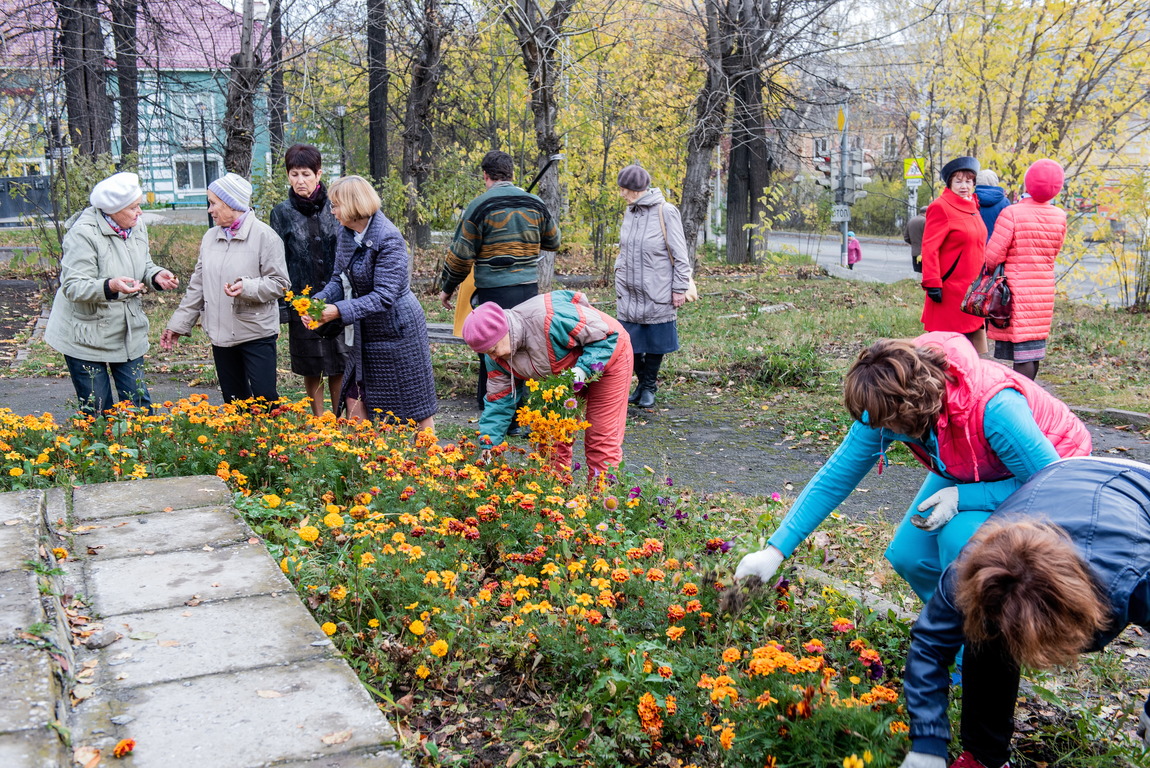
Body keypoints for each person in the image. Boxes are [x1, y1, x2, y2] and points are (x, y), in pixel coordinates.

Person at [734, 332, 1091, 603]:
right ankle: (951, 630)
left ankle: (980, 655)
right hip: (964, 464)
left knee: (960, 543)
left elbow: (1052, 486)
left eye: (885, 426)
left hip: (1047, 470)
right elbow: (835, 477)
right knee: (910, 555)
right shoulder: (886, 408)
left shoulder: (995, 409)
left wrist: (964, 496)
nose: (878, 433)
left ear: (911, 410)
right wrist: (775, 550)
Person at [898, 457, 1150, 768]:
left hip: (1140, 488)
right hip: (1059, 475)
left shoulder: (1134, 577)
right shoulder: (975, 571)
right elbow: (929, 646)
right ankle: (985, 757)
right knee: (988, 629)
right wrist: (927, 743)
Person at [44, 172, 179, 415]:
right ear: (113, 210)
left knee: (139, 406)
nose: (140, 213)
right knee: (97, 411)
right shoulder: (83, 233)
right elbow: (73, 285)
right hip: (85, 335)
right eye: (134, 207)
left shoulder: (136, 226)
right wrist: (110, 286)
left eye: (140, 206)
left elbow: (143, 264)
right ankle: (101, 453)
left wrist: (156, 275)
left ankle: (141, 452)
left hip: (127, 331)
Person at [438, 150, 561, 414]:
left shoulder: (479, 206)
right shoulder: (535, 204)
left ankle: (493, 410)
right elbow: (553, 241)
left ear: (485, 175)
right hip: (528, 291)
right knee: (524, 347)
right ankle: (521, 412)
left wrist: (447, 287)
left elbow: (460, 255)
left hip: (493, 292)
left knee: (493, 349)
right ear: (512, 173)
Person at [462, 290, 632, 477]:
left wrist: (583, 370)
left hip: (607, 356)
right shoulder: (496, 358)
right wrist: (489, 444)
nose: (492, 356)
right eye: (486, 353)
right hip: (563, 378)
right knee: (552, 438)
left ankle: (603, 498)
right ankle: (554, 493)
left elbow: (608, 335)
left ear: (504, 330)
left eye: (493, 349)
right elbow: (499, 401)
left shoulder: (549, 319)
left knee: (601, 437)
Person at [313, 176, 437, 430]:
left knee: (416, 406)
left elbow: (384, 296)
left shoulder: (389, 238)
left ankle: (428, 461)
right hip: (366, 332)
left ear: (351, 205)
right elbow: (340, 277)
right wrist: (317, 303)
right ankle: (363, 462)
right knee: (355, 397)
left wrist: (337, 310)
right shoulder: (346, 232)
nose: (332, 211)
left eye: (335, 205)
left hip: (400, 331)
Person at [161, 173, 289, 404]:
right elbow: (197, 286)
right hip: (221, 334)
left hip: (255, 332)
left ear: (231, 203)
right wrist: (178, 324)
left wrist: (246, 287)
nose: (210, 209)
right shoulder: (210, 237)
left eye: (213, 203)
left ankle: (269, 439)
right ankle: (240, 440)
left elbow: (280, 284)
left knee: (265, 400)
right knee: (233, 401)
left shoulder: (265, 237)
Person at [270, 144, 347, 416]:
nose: (300, 181)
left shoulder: (336, 207)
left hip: (337, 297)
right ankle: (318, 419)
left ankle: (339, 418)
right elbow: (276, 261)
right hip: (301, 300)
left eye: (305, 174)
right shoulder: (281, 213)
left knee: (339, 359)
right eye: (294, 174)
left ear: (318, 174)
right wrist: (283, 308)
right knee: (311, 363)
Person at [614, 164, 691, 409]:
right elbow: (625, 249)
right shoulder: (631, 212)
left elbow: (680, 254)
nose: (622, 194)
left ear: (636, 190)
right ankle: (641, 384)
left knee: (656, 342)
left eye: (624, 190)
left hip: (657, 289)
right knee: (630, 341)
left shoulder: (666, 211)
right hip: (629, 291)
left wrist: (679, 287)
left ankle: (648, 387)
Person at [984, 159, 1067, 381]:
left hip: (1016, 292)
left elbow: (993, 255)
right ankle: (1028, 397)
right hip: (1042, 291)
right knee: (1032, 350)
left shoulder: (1012, 213)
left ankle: (1021, 399)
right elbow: (1054, 251)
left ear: (1028, 183)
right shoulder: (1059, 216)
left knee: (1022, 354)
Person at [920, 157, 989, 353]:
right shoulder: (940, 207)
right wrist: (932, 282)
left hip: (973, 289)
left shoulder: (973, 206)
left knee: (971, 344)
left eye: (968, 181)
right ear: (949, 183)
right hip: (950, 290)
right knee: (949, 348)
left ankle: (970, 381)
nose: (964, 186)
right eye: (958, 181)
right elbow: (929, 247)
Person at [974, 169, 1010, 241]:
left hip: (976, 244)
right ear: (995, 182)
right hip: (997, 244)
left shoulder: (971, 200)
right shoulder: (1004, 202)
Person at [904, 206, 927, 273]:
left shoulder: (911, 221)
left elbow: (906, 237)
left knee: (918, 273)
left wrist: (915, 244)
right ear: (926, 212)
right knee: (926, 274)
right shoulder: (926, 221)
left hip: (915, 252)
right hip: (925, 253)